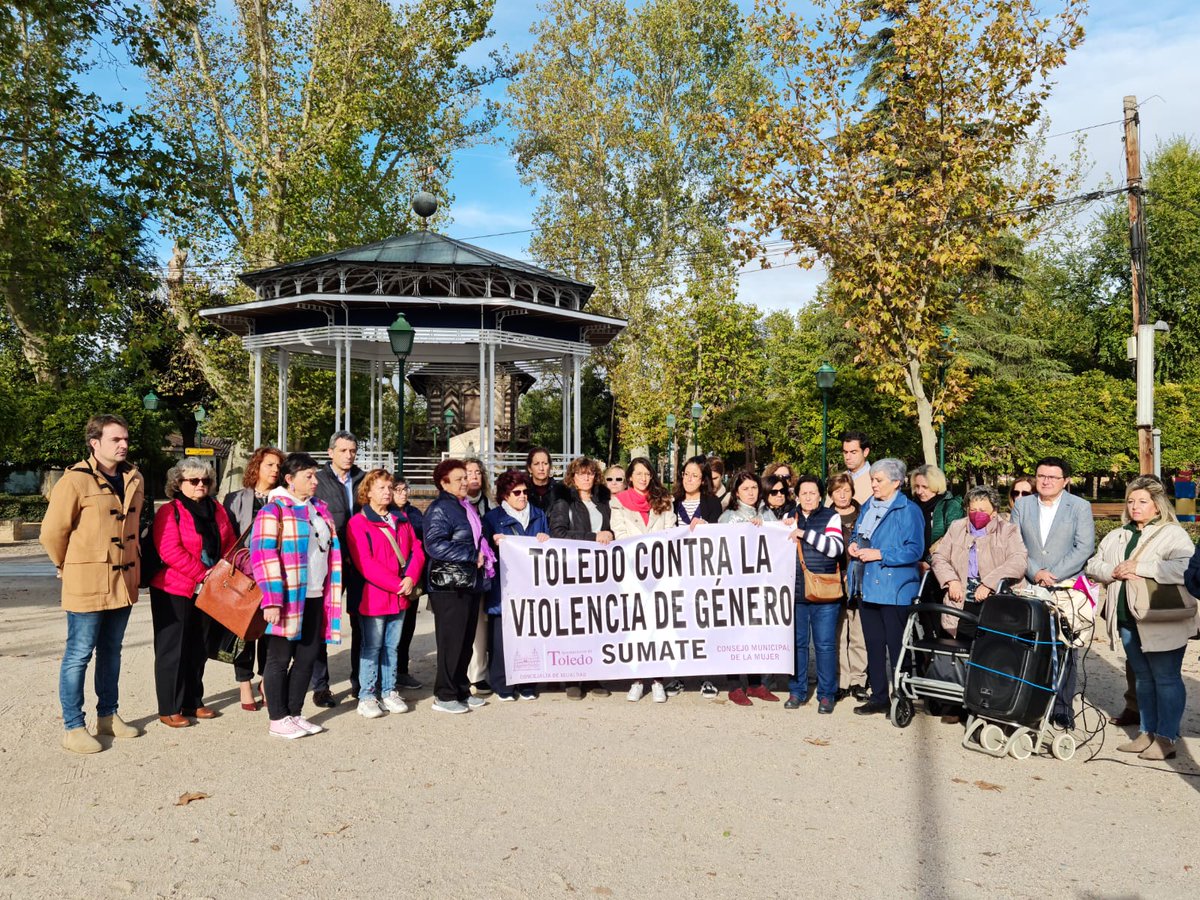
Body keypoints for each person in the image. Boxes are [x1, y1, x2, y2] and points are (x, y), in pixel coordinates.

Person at [41, 414, 145, 753]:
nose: (123, 444)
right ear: (94, 443)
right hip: (86, 580)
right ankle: (73, 727)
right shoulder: (74, 480)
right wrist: (64, 564)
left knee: (112, 651)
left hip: (123, 580)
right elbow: (52, 532)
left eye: (125, 438)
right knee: (79, 654)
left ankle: (107, 716)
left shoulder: (134, 477)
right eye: (116, 439)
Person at [1087, 476, 1195, 761]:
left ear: (1157, 506)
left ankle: (1166, 738)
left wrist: (1140, 567)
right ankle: (1146, 732)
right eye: (1131, 501)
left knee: (1166, 678)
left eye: (1142, 501)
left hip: (1160, 617)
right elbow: (1093, 564)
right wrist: (1112, 571)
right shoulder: (1117, 535)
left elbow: (1186, 568)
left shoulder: (1173, 534)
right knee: (1144, 679)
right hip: (1126, 617)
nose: (1135, 506)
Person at [250, 453, 343, 740]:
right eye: (308, 476)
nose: (315, 481)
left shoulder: (318, 509)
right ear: (290, 479)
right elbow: (263, 554)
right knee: (279, 658)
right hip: (287, 596)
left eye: (315, 475)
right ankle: (278, 717)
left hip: (316, 593)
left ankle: (294, 712)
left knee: (307, 656)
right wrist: (272, 599)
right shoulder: (273, 511)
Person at [150, 458, 237, 727]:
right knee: (172, 649)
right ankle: (169, 707)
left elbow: (230, 543)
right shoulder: (170, 511)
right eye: (194, 480)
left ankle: (192, 700)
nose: (201, 485)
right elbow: (169, 550)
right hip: (174, 589)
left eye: (206, 480)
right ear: (178, 483)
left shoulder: (216, 509)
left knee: (199, 647)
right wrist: (203, 574)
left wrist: (222, 572)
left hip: (209, 589)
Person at [1010, 456, 1095, 729]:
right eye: (1041, 476)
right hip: (1030, 584)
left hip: (1065, 587)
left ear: (1065, 481)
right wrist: (1036, 572)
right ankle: (1027, 704)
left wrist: (1053, 574)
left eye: (1052, 477)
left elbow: (1084, 547)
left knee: (1065, 648)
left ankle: (1062, 708)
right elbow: (1015, 544)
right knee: (1029, 646)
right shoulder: (1022, 505)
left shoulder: (1079, 507)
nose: (1045, 481)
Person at [847, 458, 925, 716]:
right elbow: (858, 533)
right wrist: (853, 545)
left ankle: (902, 698)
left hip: (895, 589)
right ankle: (879, 696)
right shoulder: (869, 505)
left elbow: (914, 550)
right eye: (872, 479)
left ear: (896, 482)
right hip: (867, 585)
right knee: (874, 644)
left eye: (878, 480)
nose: (873, 484)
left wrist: (880, 554)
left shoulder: (909, 510)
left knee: (897, 646)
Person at [346, 469, 425, 719]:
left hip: (399, 594)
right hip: (374, 596)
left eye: (390, 487)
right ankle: (367, 696)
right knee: (372, 647)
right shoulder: (358, 523)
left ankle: (389, 690)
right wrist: (398, 584)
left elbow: (417, 549)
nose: (387, 492)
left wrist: (411, 577)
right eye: (381, 487)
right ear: (367, 492)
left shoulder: (401, 519)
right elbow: (365, 563)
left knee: (392, 646)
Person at [423, 459, 495, 714]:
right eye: (459, 479)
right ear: (444, 484)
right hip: (449, 586)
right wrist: (471, 555)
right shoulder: (440, 509)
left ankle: (461, 689)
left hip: (469, 582)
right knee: (451, 641)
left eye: (465, 477)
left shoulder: (464, 506)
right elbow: (434, 545)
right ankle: (444, 695)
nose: (465, 482)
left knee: (465, 640)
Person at [611, 457, 677, 703]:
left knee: (659, 625)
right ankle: (637, 680)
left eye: (647, 473)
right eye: (638, 473)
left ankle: (658, 680)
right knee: (636, 625)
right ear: (630, 476)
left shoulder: (664, 500)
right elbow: (620, 534)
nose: (643, 478)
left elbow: (671, 531)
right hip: (632, 571)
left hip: (660, 570)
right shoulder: (618, 502)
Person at [223, 445, 285, 711]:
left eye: (278, 466)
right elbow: (229, 539)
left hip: (276, 572)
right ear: (256, 467)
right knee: (244, 630)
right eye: (269, 464)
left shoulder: (284, 499)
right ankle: (244, 683)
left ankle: (266, 681)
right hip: (245, 574)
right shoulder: (235, 499)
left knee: (270, 631)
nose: (275, 470)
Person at [549, 456, 615, 699]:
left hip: (599, 572)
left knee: (595, 624)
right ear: (573, 477)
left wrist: (610, 534)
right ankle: (572, 678)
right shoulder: (563, 503)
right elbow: (558, 534)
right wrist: (593, 537)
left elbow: (610, 530)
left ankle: (592, 675)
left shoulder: (603, 503)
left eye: (590, 473)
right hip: (573, 571)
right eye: (581, 473)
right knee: (574, 625)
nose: (586, 477)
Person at [484, 470, 551, 701]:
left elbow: (550, 545)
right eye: (517, 492)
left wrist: (546, 540)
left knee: (529, 636)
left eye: (525, 491)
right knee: (501, 638)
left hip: (532, 587)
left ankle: (528, 683)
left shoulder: (539, 515)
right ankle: (502, 684)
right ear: (505, 495)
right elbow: (484, 549)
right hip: (504, 587)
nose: (523, 496)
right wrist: (493, 544)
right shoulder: (492, 519)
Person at [310, 430, 365, 708]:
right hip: (329, 559)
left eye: (353, 450)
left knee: (361, 621)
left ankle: (361, 681)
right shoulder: (317, 481)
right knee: (322, 620)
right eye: (343, 450)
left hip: (361, 561)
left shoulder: (364, 479)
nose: (349, 455)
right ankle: (320, 686)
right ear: (330, 452)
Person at [930, 485, 1028, 637]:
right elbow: (939, 557)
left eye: (982, 510)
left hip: (996, 600)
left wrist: (989, 583)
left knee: (990, 645)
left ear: (994, 512)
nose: (977, 514)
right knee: (959, 640)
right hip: (961, 597)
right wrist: (951, 580)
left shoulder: (1008, 530)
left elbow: (1018, 561)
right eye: (973, 510)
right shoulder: (957, 527)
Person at [787, 475, 846, 713]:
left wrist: (803, 533)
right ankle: (796, 691)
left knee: (825, 645)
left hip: (824, 592)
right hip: (796, 593)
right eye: (804, 493)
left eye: (813, 493)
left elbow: (835, 548)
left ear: (820, 496)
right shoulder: (788, 517)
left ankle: (826, 694)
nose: (808, 497)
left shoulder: (831, 517)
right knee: (797, 645)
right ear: (797, 496)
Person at [719, 471, 777, 705]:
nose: (751, 493)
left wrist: (771, 527)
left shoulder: (767, 513)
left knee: (755, 632)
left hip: (760, 585)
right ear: (736, 492)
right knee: (734, 633)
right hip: (734, 586)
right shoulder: (728, 517)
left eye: (754, 488)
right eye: (745, 489)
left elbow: (779, 541)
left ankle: (755, 684)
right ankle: (734, 685)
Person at [827, 471, 867, 702]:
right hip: (834, 583)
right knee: (839, 635)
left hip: (861, 582)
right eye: (837, 491)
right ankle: (841, 680)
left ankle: (858, 680)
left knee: (859, 634)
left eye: (846, 490)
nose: (842, 495)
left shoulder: (865, 514)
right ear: (831, 494)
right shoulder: (826, 517)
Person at [390, 477, 425, 692]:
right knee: (388, 631)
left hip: (412, 578)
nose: (403, 493)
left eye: (405, 489)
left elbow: (420, 545)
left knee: (408, 626)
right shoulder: (385, 514)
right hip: (390, 579)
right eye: (398, 490)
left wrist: (413, 574)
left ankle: (402, 670)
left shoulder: (414, 514)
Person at [911, 464, 965, 554]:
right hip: (912, 559)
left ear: (936, 486)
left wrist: (929, 560)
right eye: (917, 486)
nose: (919, 491)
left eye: (925, 487)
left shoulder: (951, 506)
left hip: (937, 560)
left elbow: (954, 540)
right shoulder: (912, 506)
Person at [673, 455, 723, 526]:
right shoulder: (673, 502)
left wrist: (705, 525)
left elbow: (717, 529)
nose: (689, 479)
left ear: (703, 480)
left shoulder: (713, 503)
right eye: (686, 474)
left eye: (694, 476)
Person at [841, 431, 872, 505]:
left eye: (853, 452)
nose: (847, 457)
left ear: (865, 452)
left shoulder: (877, 480)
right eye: (845, 452)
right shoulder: (838, 480)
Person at [525, 446, 559, 512]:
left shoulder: (559, 491)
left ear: (550, 467)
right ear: (529, 468)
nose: (541, 468)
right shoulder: (523, 491)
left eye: (545, 464)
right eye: (536, 464)